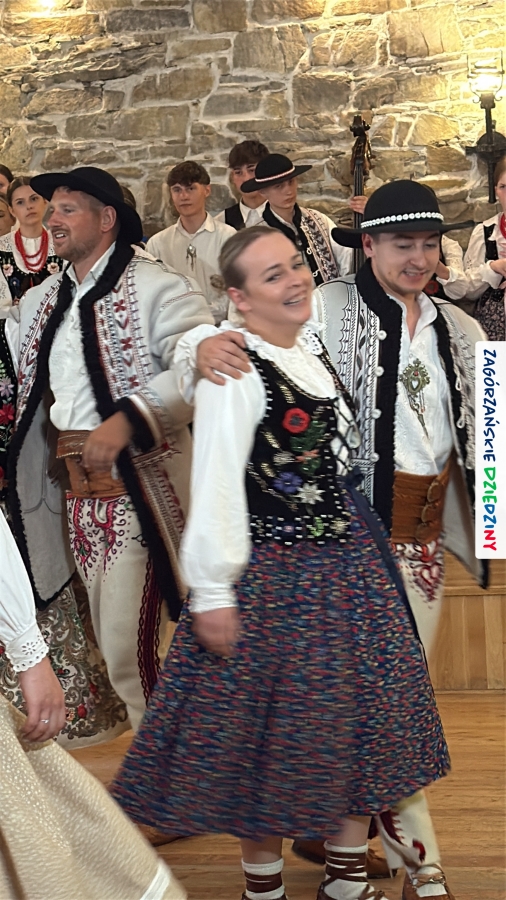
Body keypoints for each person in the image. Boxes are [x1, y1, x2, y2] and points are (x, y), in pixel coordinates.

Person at [111, 226, 449, 900]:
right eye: (273, 275)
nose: (295, 279)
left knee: (354, 725)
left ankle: (345, 882)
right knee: (266, 742)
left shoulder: (309, 345)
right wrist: (212, 589)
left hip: (347, 565)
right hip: (275, 574)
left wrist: (197, 341)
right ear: (238, 297)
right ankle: (263, 892)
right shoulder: (236, 370)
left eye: (296, 264)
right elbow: (215, 479)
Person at [178, 181, 486, 900]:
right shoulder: (326, 306)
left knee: (386, 708)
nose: (418, 259)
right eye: (401, 244)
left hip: (421, 539)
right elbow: (236, 331)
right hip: (346, 538)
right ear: (367, 245)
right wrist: (200, 343)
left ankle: (340, 850)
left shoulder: (464, 328)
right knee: (376, 710)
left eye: (429, 244)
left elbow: (496, 433)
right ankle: (420, 864)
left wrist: (494, 529)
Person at [6, 165, 213, 732]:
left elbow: (198, 366)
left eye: (67, 209)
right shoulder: (44, 299)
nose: (52, 218)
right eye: (51, 208)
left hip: (138, 488)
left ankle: (169, 771)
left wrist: (128, 420)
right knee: (118, 643)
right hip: (76, 495)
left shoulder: (159, 286)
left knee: (127, 649)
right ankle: (176, 763)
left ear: (107, 219)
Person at [0, 505, 186, 900]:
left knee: (134, 660)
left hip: (122, 503)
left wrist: (29, 653)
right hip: (78, 503)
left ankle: (170, 794)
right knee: (123, 662)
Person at [241, 153, 353, 286]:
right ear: (263, 192)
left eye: (291, 182)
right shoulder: (257, 236)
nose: (288, 191)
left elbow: (347, 259)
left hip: (328, 297)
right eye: (278, 186)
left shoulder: (319, 220)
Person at [146, 161, 235, 324]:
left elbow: (234, 292)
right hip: (175, 329)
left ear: (207, 190)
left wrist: (200, 319)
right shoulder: (157, 244)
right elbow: (153, 295)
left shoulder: (228, 238)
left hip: (219, 328)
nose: (184, 196)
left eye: (190, 188)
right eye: (177, 190)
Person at [350, 194, 471, 303]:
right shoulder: (381, 245)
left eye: (429, 245)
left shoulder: (448, 246)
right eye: (404, 246)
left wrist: (434, 263)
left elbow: (460, 291)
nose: (420, 262)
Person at [0, 176, 63, 309]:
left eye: (34, 199)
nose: (29, 206)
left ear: (45, 201)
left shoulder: (62, 243)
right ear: (12, 210)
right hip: (10, 321)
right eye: (20, 202)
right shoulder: (2, 247)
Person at [463, 154, 506, 339]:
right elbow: (468, 292)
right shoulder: (485, 232)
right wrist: (493, 268)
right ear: (496, 190)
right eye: (504, 187)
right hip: (495, 329)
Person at [215, 139, 270, 230]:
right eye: (238, 172)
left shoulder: (285, 215)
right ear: (232, 177)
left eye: (251, 170)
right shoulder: (221, 223)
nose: (246, 179)